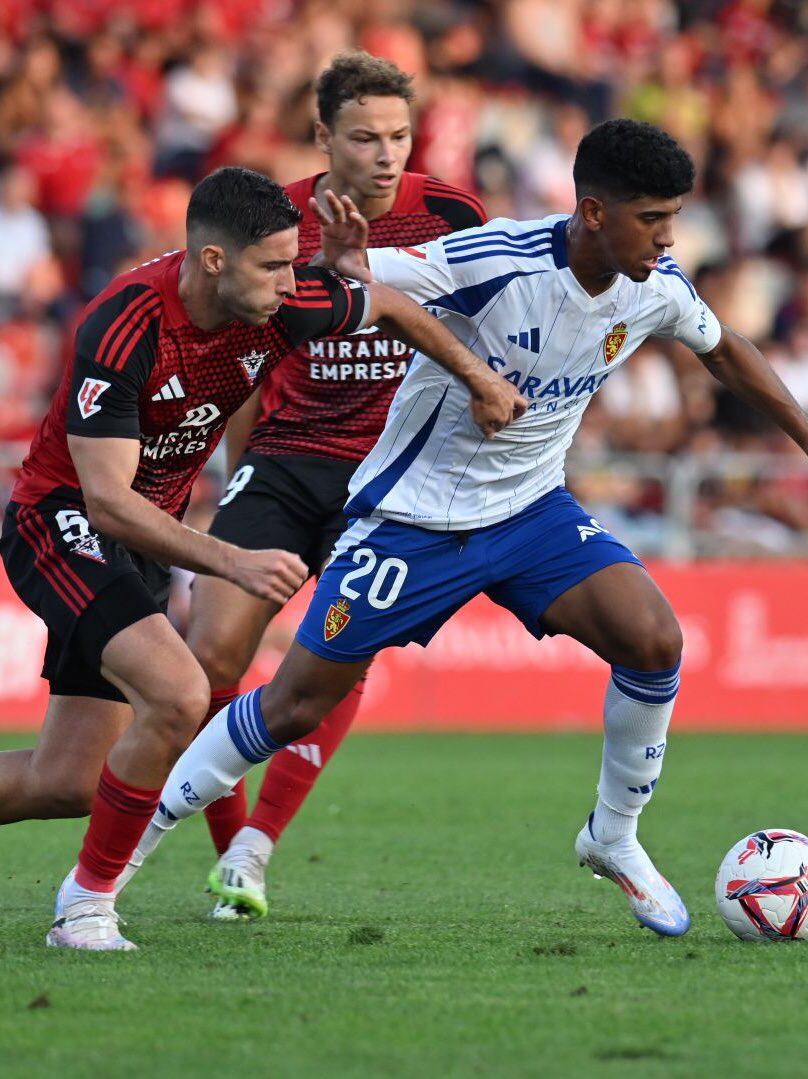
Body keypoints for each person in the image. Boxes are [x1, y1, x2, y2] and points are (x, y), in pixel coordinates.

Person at [134, 121, 808, 942]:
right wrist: (348, 260)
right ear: (593, 212)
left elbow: (725, 349)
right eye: (652, 218)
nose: (668, 236)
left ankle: (612, 835)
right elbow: (366, 277)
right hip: (409, 519)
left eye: (674, 216)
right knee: (291, 704)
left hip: (530, 512)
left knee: (652, 638)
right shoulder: (495, 259)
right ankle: (123, 855)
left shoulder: (657, 283)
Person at [0, 164, 522, 951]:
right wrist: (229, 561)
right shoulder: (123, 322)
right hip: (63, 521)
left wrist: (479, 377)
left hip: (146, 532)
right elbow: (104, 498)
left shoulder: (282, 304)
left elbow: (385, 304)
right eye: (275, 265)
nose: (292, 281)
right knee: (179, 692)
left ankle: (91, 890)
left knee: (68, 780)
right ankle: (85, 906)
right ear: (213, 261)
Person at [147, 52, 488, 921]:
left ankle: (253, 848)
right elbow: (237, 348)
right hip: (288, 455)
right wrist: (232, 463)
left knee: (339, 652)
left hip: (393, 470)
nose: (385, 155)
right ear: (323, 136)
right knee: (212, 656)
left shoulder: (451, 214)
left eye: (399, 137)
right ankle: (231, 851)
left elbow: (483, 336)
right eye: (365, 137)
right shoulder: (278, 218)